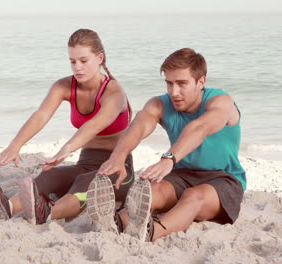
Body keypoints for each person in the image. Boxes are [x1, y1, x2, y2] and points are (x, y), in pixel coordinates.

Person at [0, 29, 134, 228]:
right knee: (50, 175)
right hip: (85, 161)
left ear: (99, 58)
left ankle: (47, 213)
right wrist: (15, 146)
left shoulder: (114, 92)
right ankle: (7, 206)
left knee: (85, 183)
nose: (77, 67)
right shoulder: (64, 86)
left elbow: (94, 125)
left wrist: (66, 149)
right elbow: (41, 116)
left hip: (118, 168)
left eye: (84, 61)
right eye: (72, 61)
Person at [96, 48, 246, 241]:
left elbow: (199, 128)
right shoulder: (160, 104)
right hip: (183, 174)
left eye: (182, 84)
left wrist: (169, 159)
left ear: (201, 82)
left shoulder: (221, 102)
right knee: (151, 191)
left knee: (194, 196)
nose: (174, 92)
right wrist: (118, 156)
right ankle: (116, 223)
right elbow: (140, 125)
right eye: (169, 83)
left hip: (224, 179)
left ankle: (151, 233)